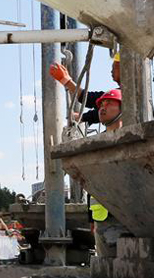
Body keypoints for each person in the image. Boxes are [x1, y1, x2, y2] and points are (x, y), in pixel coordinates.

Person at [89, 89, 128, 257]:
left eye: (109, 103)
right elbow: (90, 185)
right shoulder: (95, 144)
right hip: (103, 220)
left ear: (123, 108)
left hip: (127, 217)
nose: (102, 108)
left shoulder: (130, 137)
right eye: (101, 105)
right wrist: (92, 219)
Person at [49, 52, 121, 126]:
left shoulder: (128, 94)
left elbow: (108, 110)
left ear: (125, 66)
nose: (111, 71)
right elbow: (90, 99)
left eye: (114, 67)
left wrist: (83, 117)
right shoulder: (122, 92)